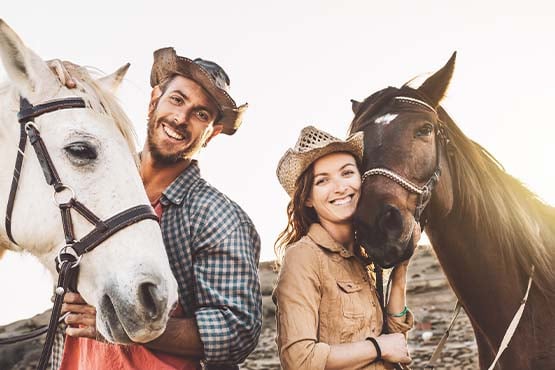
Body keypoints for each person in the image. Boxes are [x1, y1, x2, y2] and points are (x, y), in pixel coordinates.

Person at [51, 47, 262, 370]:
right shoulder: (96, 184)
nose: (181, 119)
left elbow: (235, 332)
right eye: (177, 100)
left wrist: (120, 325)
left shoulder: (217, 215)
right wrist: (60, 79)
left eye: (201, 114)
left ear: (212, 134)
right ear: (154, 101)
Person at [273, 126, 413, 370]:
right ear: (307, 198)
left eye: (347, 173)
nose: (339, 187)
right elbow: (299, 360)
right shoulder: (304, 256)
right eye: (323, 180)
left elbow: (395, 338)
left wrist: (401, 269)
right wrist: (379, 347)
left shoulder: (362, 256)